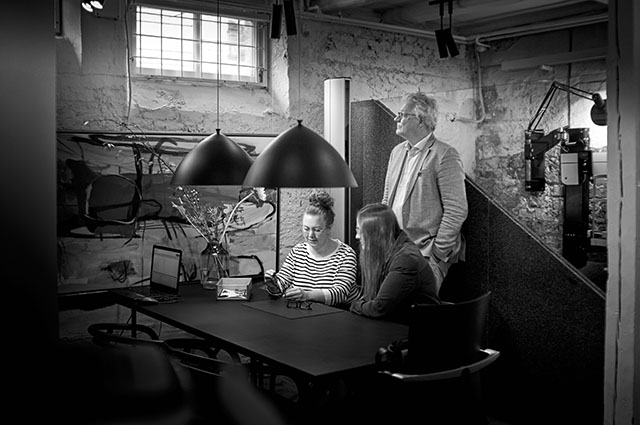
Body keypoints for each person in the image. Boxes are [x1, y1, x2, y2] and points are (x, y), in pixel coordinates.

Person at [382, 91, 468, 294]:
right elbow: (387, 200)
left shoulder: (444, 155)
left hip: (426, 253)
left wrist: (437, 254)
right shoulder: (396, 153)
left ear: (420, 120)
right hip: (395, 249)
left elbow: (456, 209)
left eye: (402, 115)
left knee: (419, 314)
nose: (397, 119)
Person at [264, 190, 359, 308]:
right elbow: (282, 283)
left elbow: (339, 294)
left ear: (329, 228)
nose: (310, 235)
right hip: (304, 316)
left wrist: (306, 295)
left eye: (317, 230)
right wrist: (273, 284)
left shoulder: (346, 255)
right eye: (306, 229)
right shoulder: (297, 252)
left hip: (339, 317)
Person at [349, 203, 440, 324]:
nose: (357, 236)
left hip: (415, 331)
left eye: (360, 232)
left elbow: (379, 308)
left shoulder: (405, 260)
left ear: (378, 233)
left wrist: (354, 305)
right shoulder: (392, 249)